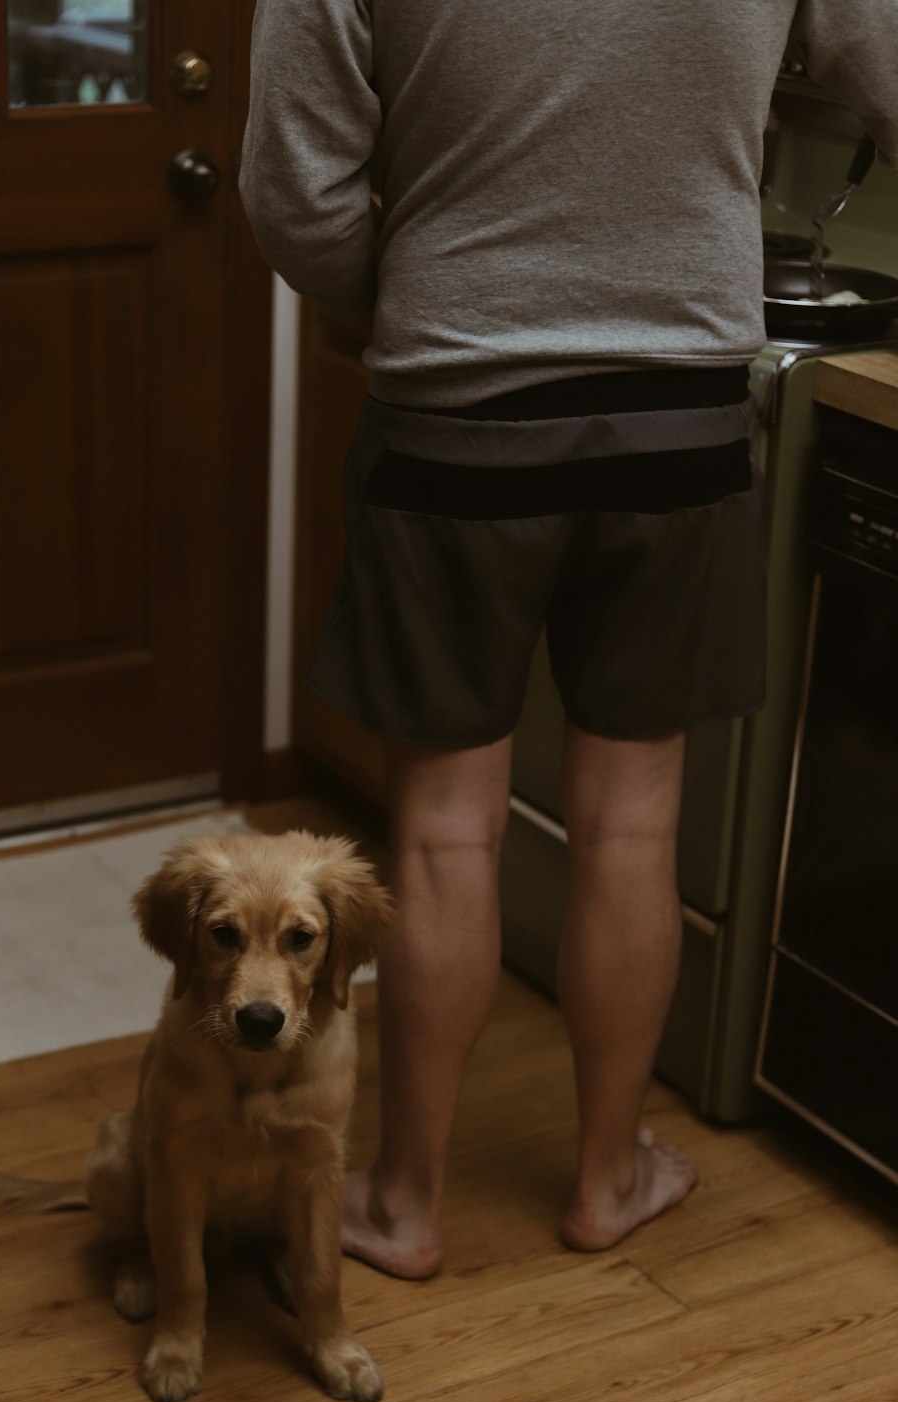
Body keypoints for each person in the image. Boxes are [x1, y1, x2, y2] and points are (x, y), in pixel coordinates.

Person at [239, 1, 898, 1277]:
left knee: (441, 835)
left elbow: (293, 192)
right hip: (685, 415)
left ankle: (406, 1203)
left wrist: (425, 294)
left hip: (453, 412)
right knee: (634, 824)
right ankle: (607, 1178)